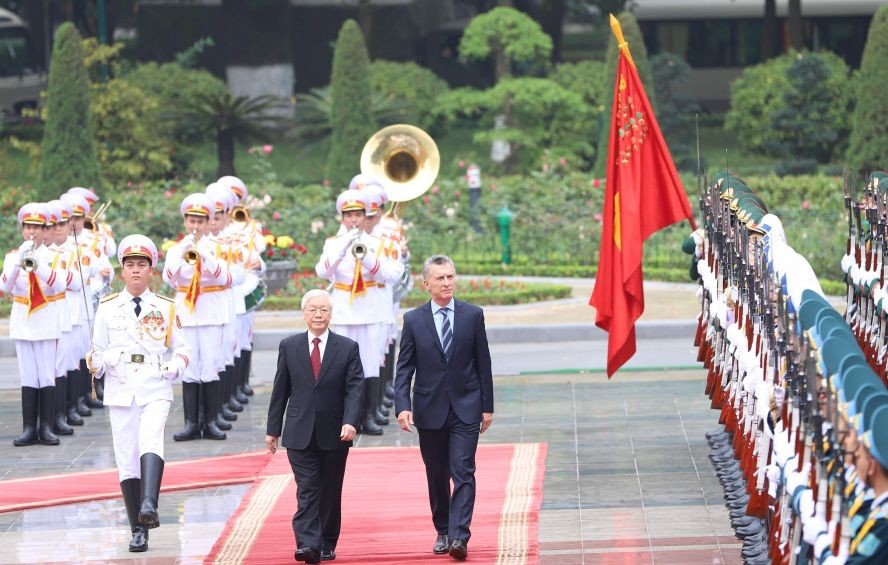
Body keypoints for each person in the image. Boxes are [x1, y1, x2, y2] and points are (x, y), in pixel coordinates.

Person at [87, 235, 190, 553]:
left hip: (154, 383)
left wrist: (175, 367)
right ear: (122, 270)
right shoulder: (107, 308)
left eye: (141, 265)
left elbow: (183, 349)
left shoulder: (166, 307)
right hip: (120, 388)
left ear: (151, 270)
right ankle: (138, 530)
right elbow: (96, 353)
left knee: (150, 440)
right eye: (129, 265)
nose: (135, 270)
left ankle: (149, 503)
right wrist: (98, 363)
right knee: (126, 458)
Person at [394, 255, 494, 561]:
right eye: (440, 278)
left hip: (466, 405)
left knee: (463, 470)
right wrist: (402, 405)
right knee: (436, 473)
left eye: (450, 276)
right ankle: (442, 529)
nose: (447, 283)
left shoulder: (472, 315)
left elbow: (483, 362)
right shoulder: (413, 320)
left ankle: (459, 536)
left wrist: (487, 406)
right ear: (426, 284)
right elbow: (404, 367)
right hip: (429, 408)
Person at [265, 289, 364, 564]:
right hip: (299, 431)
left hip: (336, 432)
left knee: (330, 489)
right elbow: (280, 390)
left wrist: (351, 421)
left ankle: (327, 541)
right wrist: (273, 429)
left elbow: (355, 389)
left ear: (331, 314)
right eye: (313, 309)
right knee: (307, 488)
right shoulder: (289, 345)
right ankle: (308, 544)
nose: (318, 314)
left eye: (324, 309)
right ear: (304, 314)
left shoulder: (347, 347)